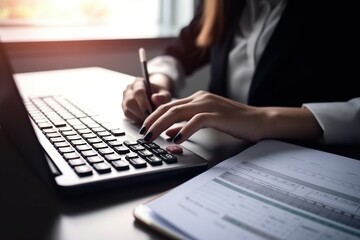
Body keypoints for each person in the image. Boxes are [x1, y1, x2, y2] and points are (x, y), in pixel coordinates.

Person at [122, 0, 360, 145]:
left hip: (312, 160)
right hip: (225, 159)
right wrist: (156, 81)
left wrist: (265, 119)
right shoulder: (225, 5)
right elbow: (179, 53)